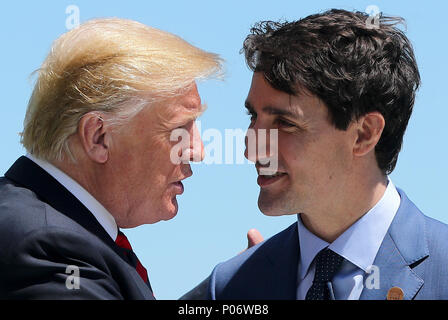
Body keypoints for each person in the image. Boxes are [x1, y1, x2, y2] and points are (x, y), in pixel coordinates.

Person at [184, 9, 448, 300]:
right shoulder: (229, 288)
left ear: (364, 134)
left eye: (284, 123)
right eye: (253, 117)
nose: (250, 150)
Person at [0, 18, 222, 299]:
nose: (198, 151)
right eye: (179, 129)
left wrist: (232, 286)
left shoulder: (48, 224)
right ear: (99, 137)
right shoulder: (49, 246)